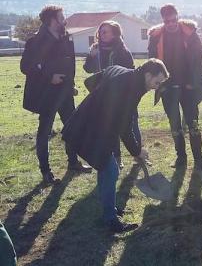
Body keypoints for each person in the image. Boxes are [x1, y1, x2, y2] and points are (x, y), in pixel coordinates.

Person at [62, 59, 169, 233]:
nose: (157, 87)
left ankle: (109, 209)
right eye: (157, 82)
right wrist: (136, 151)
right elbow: (124, 126)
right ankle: (110, 219)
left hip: (92, 126)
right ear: (148, 75)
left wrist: (102, 99)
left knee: (107, 169)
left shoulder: (122, 70)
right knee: (110, 169)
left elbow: (91, 81)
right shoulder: (130, 89)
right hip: (89, 130)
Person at [20, 5, 92, 185]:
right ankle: (46, 172)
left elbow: (71, 64)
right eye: (61, 17)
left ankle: (73, 162)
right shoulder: (35, 42)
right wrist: (49, 76)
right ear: (52, 20)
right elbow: (26, 67)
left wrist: (72, 85)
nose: (65, 20)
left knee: (72, 127)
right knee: (44, 132)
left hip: (65, 92)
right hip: (46, 94)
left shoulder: (66, 38)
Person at [148, 4, 202, 168]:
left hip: (189, 86)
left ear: (178, 17)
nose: (171, 23)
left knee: (193, 123)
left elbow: (199, 59)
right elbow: (152, 62)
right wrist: (159, 83)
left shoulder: (190, 34)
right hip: (168, 86)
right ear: (163, 20)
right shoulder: (155, 37)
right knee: (174, 124)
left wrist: (193, 82)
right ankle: (181, 157)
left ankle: (198, 158)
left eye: (174, 19)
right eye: (167, 21)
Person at [83, 20, 136, 169]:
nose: (101, 34)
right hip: (101, 94)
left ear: (114, 34)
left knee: (130, 125)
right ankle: (116, 158)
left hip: (121, 94)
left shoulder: (122, 50)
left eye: (105, 31)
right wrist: (91, 57)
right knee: (109, 127)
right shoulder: (95, 49)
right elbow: (87, 69)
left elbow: (131, 71)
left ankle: (137, 154)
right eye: (100, 31)